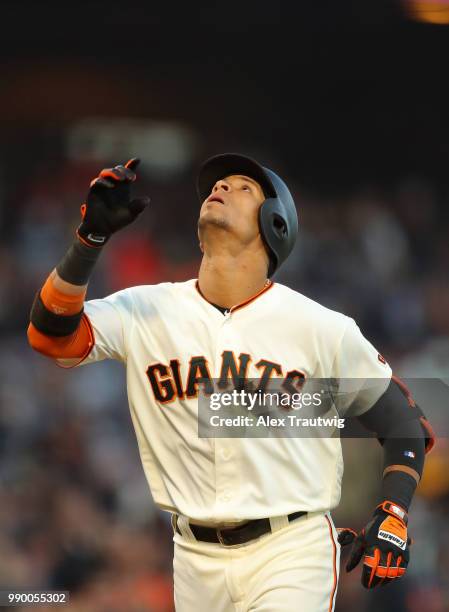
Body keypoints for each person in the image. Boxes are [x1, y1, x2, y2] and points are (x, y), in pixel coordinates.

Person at [27, 154, 434, 611]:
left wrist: (393, 512)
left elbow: (403, 422)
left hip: (290, 549)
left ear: (274, 222)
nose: (220, 187)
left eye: (242, 187)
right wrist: (89, 241)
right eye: (218, 184)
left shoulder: (319, 326)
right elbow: (50, 335)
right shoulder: (148, 309)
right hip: (193, 557)